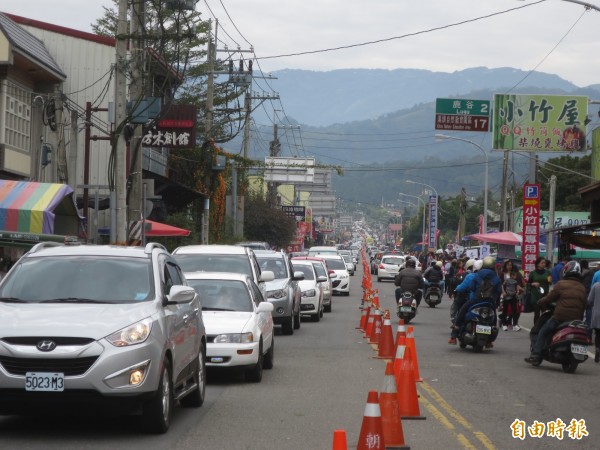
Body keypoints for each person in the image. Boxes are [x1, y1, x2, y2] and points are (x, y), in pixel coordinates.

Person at [525, 261, 587, 365]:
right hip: (576, 319)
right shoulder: (582, 287)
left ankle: (536, 354)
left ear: (565, 271)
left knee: (543, 331)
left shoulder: (561, 284)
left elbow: (549, 298)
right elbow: (586, 304)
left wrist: (541, 301)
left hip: (560, 317)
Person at [449, 257, 502, 346]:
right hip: (490, 302)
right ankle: (489, 341)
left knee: (463, 310)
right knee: (493, 317)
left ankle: (454, 333)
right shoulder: (496, 277)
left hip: (477, 300)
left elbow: (472, 287)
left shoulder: (477, 275)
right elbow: (499, 291)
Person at [526, 256, 552, 324]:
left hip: (545, 296)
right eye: (542, 263)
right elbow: (528, 284)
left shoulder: (548, 273)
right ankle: (536, 329)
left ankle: (544, 328)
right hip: (535, 296)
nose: (544, 264)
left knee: (545, 313)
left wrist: (549, 280)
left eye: (544, 263)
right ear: (538, 264)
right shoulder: (533, 273)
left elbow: (550, 282)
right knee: (536, 314)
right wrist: (533, 284)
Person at [587, 280, 600, 363]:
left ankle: (597, 350)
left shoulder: (596, 286)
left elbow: (590, 300)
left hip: (597, 314)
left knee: (598, 334)